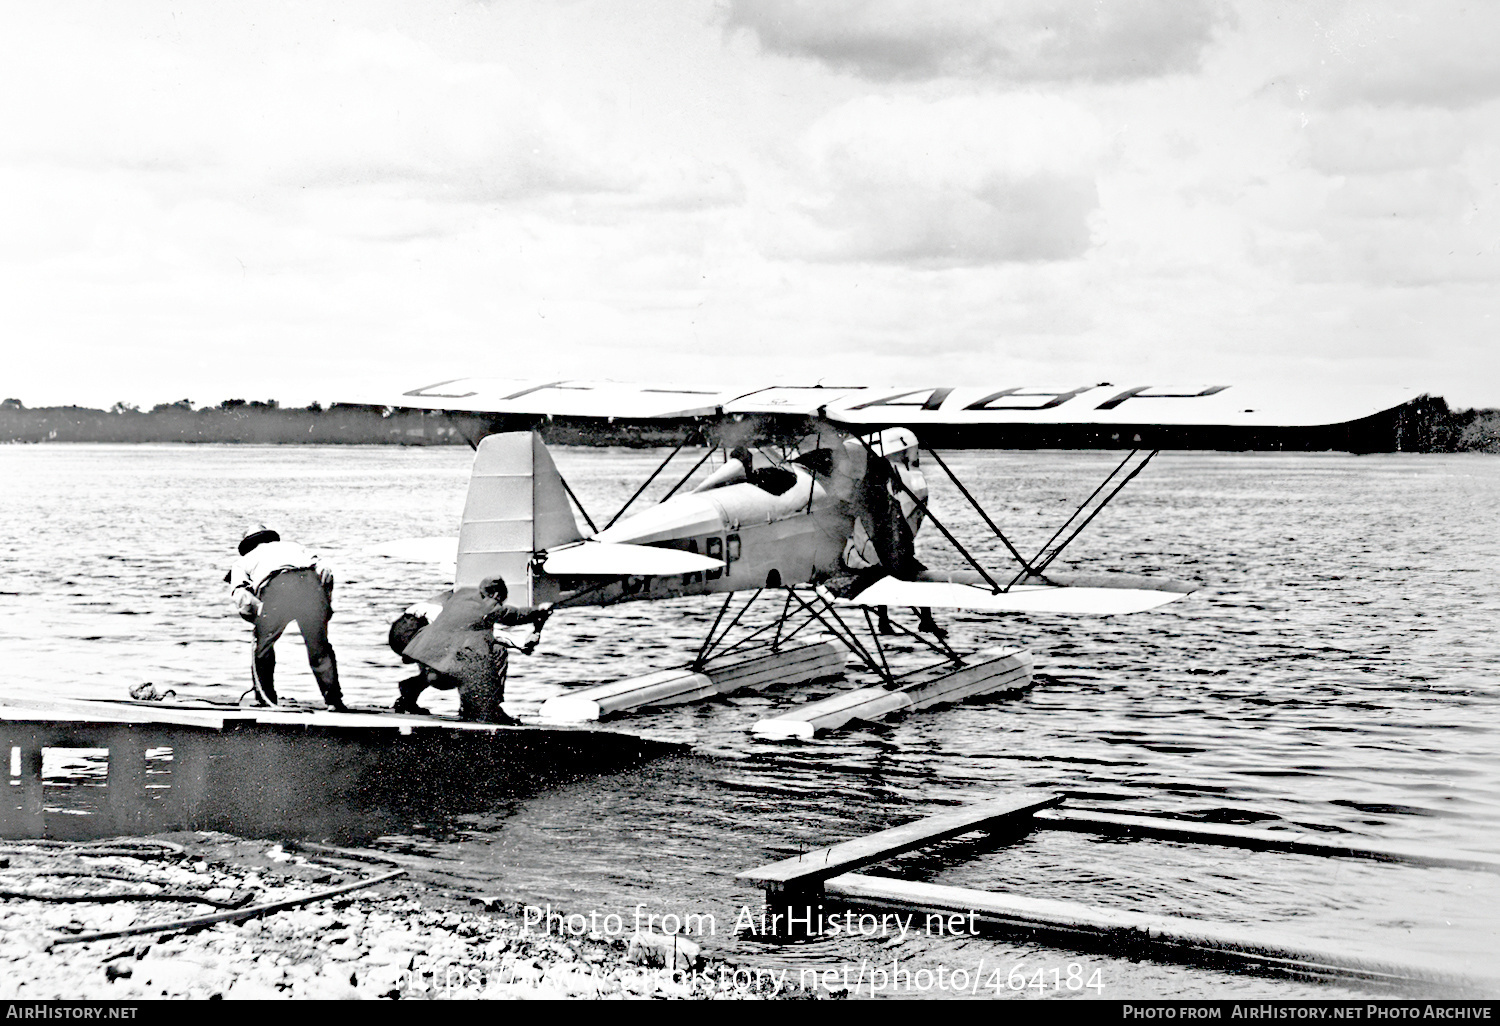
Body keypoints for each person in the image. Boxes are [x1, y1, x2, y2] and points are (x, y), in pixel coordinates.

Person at [392, 575, 549, 723]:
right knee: (493, 653)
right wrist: (539, 612)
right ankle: (489, 708)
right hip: (432, 647)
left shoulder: (460, 597)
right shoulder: (487, 607)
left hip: (420, 646)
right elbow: (513, 616)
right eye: (500, 600)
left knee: (447, 666)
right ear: (495, 595)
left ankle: (410, 692)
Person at [226, 523, 345, 711]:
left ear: (247, 545)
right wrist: (326, 605)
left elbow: (242, 597)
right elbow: (325, 572)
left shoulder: (242, 562)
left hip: (276, 587)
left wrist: (259, 620)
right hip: (309, 585)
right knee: (319, 649)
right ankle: (334, 701)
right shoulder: (295, 547)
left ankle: (266, 699)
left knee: (262, 647)